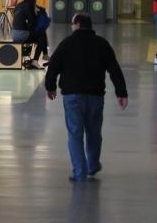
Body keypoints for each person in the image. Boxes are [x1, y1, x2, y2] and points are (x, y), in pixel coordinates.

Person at [43, 13, 128, 182]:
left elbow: (53, 66)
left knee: (75, 133)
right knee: (94, 133)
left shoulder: (67, 43)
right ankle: (92, 165)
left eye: (73, 23)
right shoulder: (101, 44)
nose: (71, 27)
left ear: (78, 24)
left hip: (72, 96)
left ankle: (79, 172)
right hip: (96, 96)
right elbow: (114, 68)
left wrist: (50, 87)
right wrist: (121, 92)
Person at [11, 0, 44, 68]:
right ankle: (35, 61)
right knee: (42, 37)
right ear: (32, 0)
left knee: (37, 34)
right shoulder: (28, 6)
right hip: (21, 34)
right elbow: (33, 22)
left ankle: (40, 56)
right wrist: (37, 14)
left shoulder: (19, 5)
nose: (36, 1)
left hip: (14, 34)